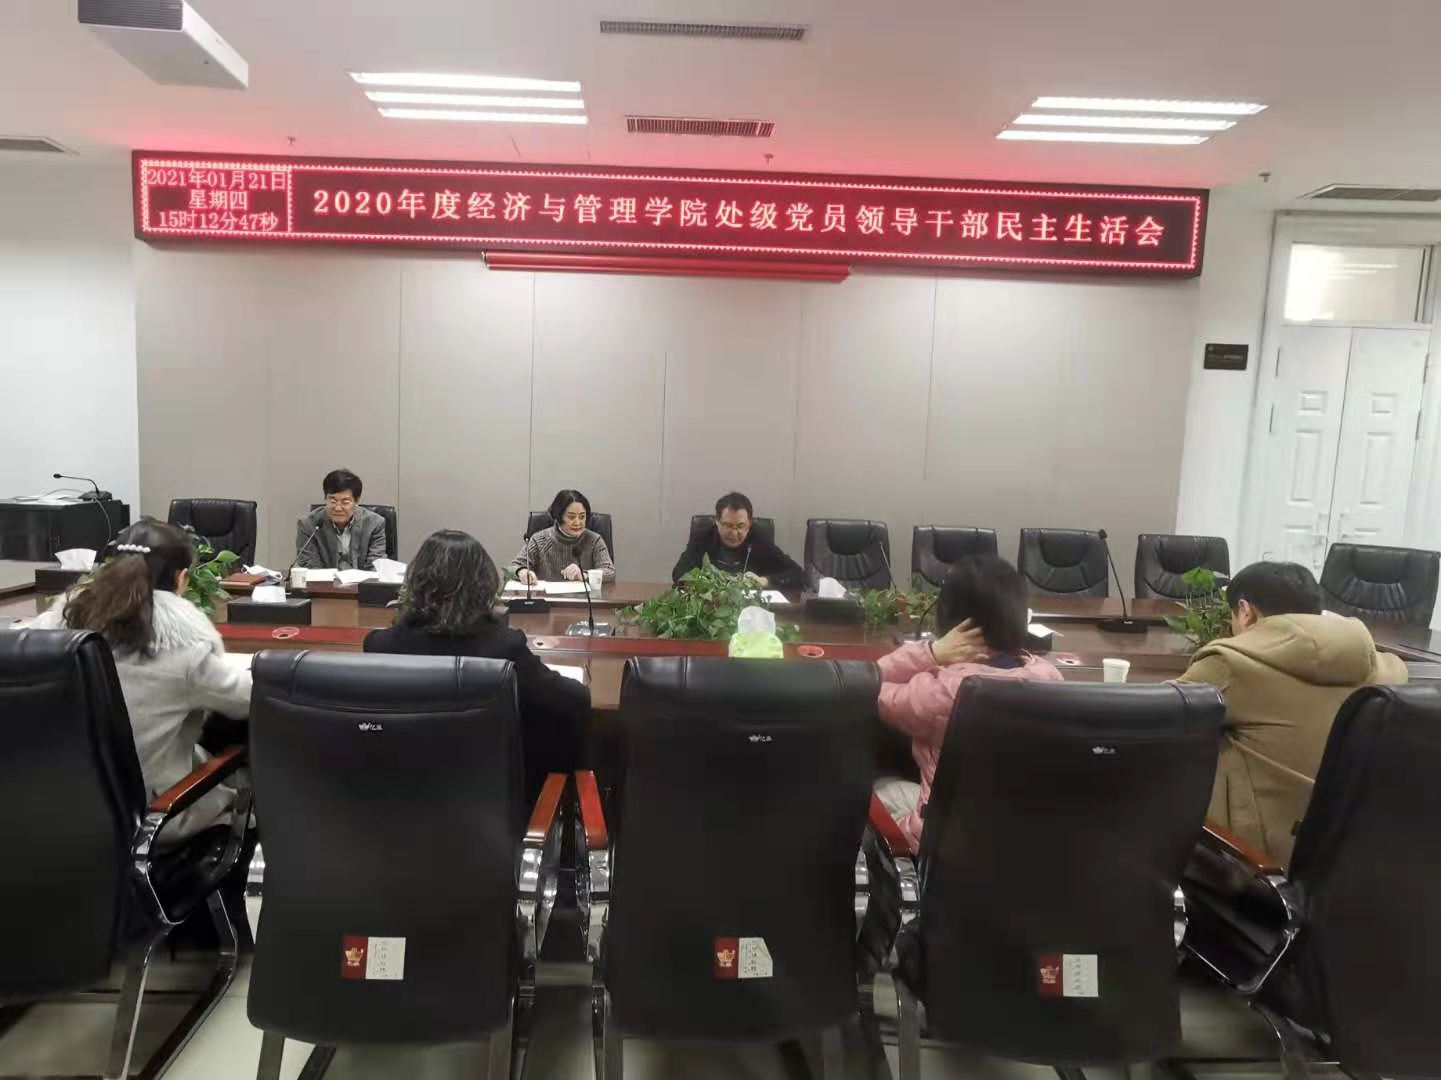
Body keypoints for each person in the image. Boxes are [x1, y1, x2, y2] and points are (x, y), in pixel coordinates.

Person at [32, 520, 251, 843]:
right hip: (150, 816)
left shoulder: (61, 625)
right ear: (181, 578)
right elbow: (251, 699)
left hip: (52, 810)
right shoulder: (184, 646)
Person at [1177, 560, 1407, 866]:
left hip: (1253, 862)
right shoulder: (1388, 671)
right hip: (1349, 858)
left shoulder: (1231, 665)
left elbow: (1156, 719)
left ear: (1245, 612)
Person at [366, 529, 590, 800]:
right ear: (483, 584)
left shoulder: (380, 646)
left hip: (394, 803)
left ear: (415, 582)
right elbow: (572, 701)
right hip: (488, 807)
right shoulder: (503, 648)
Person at [874, 554, 1062, 851]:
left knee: (877, 788)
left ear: (952, 623)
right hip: (1022, 842)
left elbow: (868, 682)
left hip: (942, 844)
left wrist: (933, 652)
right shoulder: (1049, 677)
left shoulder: (941, 692)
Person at [670, 492, 804, 590]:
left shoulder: (759, 540)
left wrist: (764, 581)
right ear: (717, 522)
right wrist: (704, 582)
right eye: (728, 525)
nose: (734, 533)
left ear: (749, 524)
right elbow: (678, 574)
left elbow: (799, 575)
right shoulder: (703, 538)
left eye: (740, 526)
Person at [512, 489, 615, 585]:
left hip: (585, 598)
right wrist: (521, 572)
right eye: (571, 517)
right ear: (559, 516)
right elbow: (513, 567)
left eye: (582, 517)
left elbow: (610, 572)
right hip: (546, 597)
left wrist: (584, 575)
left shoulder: (594, 540)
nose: (578, 522)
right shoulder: (540, 540)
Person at [295, 468, 387, 572]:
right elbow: (310, 565)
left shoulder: (374, 524)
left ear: (356, 501)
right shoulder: (308, 525)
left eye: (345, 502)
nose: (338, 508)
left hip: (363, 582)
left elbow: (376, 564)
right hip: (324, 582)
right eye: (333, 501)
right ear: (325, 498)